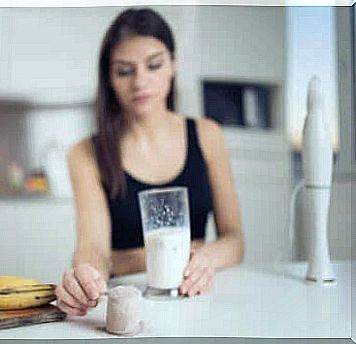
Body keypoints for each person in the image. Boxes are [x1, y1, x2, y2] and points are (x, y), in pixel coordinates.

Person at [55, 7, 243, 316]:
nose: (140, 81)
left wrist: (206, 257)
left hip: (198, 301)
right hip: (129, 306)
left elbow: (234, 239)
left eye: (154, 65)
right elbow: (95, 250)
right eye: (124, 71)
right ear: (109, 78)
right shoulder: (85, 154)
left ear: (173, 65)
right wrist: (86, 277)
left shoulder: (208, 135)